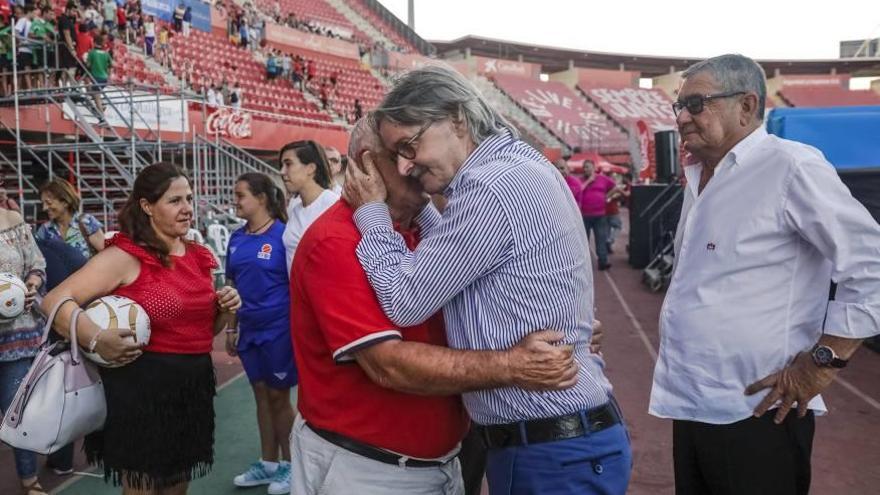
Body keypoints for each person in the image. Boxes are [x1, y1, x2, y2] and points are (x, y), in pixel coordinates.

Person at [343, 65, 631, 495]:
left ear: (457, 118)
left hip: (548, 448)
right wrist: (420, 202)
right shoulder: (515, 164)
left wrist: (372, 212)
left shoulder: (488, 188)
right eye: (395, 154)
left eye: (409, 145)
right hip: (565, 440)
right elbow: (468, 254)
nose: (404, 166)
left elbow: (405, 300)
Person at [289, 115, 581, 495]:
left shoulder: (426, 227)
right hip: (366, 470)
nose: (416, 162)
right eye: (401, 152)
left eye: (416, 147)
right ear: (365, 165)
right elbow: (389, 365)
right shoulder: (336, 239)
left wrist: (557, 327)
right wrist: (513, 365)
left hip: (434, 462)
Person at [649, 54, 880, 495]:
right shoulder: (700, 177)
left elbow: (872, 264)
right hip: (694, 405)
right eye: (678, 106)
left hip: (760, 415)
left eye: (696, 104)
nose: (682, 117)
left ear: (747, 106)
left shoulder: (791, 167)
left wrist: (824, 362)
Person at [41, 162, 241, 494]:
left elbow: (204, 329)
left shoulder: (198, 256)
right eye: (175, 201)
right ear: (147, 206)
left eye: (189, 198)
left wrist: (222, 309)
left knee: (178, 484)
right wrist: (96, 337)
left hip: (193, 388)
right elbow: (55, 300)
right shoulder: (125, 256)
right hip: (141, 390)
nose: (187, 208)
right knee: (144, 488)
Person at [225, 173, 295, 495]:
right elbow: (232, 286)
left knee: (280, 397)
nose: (235, 201)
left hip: (279, 329)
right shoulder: (236, 239)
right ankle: (267, 464)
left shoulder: (284, 236)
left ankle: (292, 466)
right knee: (260, 396)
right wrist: (231, 325)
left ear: (262, 199)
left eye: (241, 195)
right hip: (249, 329)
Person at [0, 208, 47, 495]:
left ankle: (29, 479)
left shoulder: (14, 221)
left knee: (17, 413)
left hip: (17, 337)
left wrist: (31, 285)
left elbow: (36, 262)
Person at [278, 140, 339, 274]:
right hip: (296, 293)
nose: (282, 172)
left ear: (310, 168)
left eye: (288, 164)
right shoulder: (294, 208)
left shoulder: (332, 204)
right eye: (282, 165)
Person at [35, 178, 105, 259]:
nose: (44, 208)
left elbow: (105, 255)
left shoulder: (86, 222)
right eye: (43, 203)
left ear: (65, 202)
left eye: (48, 203)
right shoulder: (44, 230)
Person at [575, 160, 616, 270]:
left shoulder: (602, 179)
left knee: (601, 239)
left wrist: (606, 197)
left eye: (588, 167)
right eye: (584, 167)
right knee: (584, 240)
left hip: (600, 214)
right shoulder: (580, 180)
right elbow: (578, 190)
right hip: (585, 215)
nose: (586, 169)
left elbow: (614, 186)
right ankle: (583, 264)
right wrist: (588, 181)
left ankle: (603, 261)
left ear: (594, 168)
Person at [85, 33, 112, 118]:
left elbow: (88, 65)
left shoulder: (92, 53)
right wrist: (108, 76)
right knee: (92, 92)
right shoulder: (106, 53)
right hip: (104, 77)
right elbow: (110, 65)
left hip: (96, 77)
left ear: (94, 42)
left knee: (95, 97)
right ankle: (101, 105)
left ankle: (102, 117)